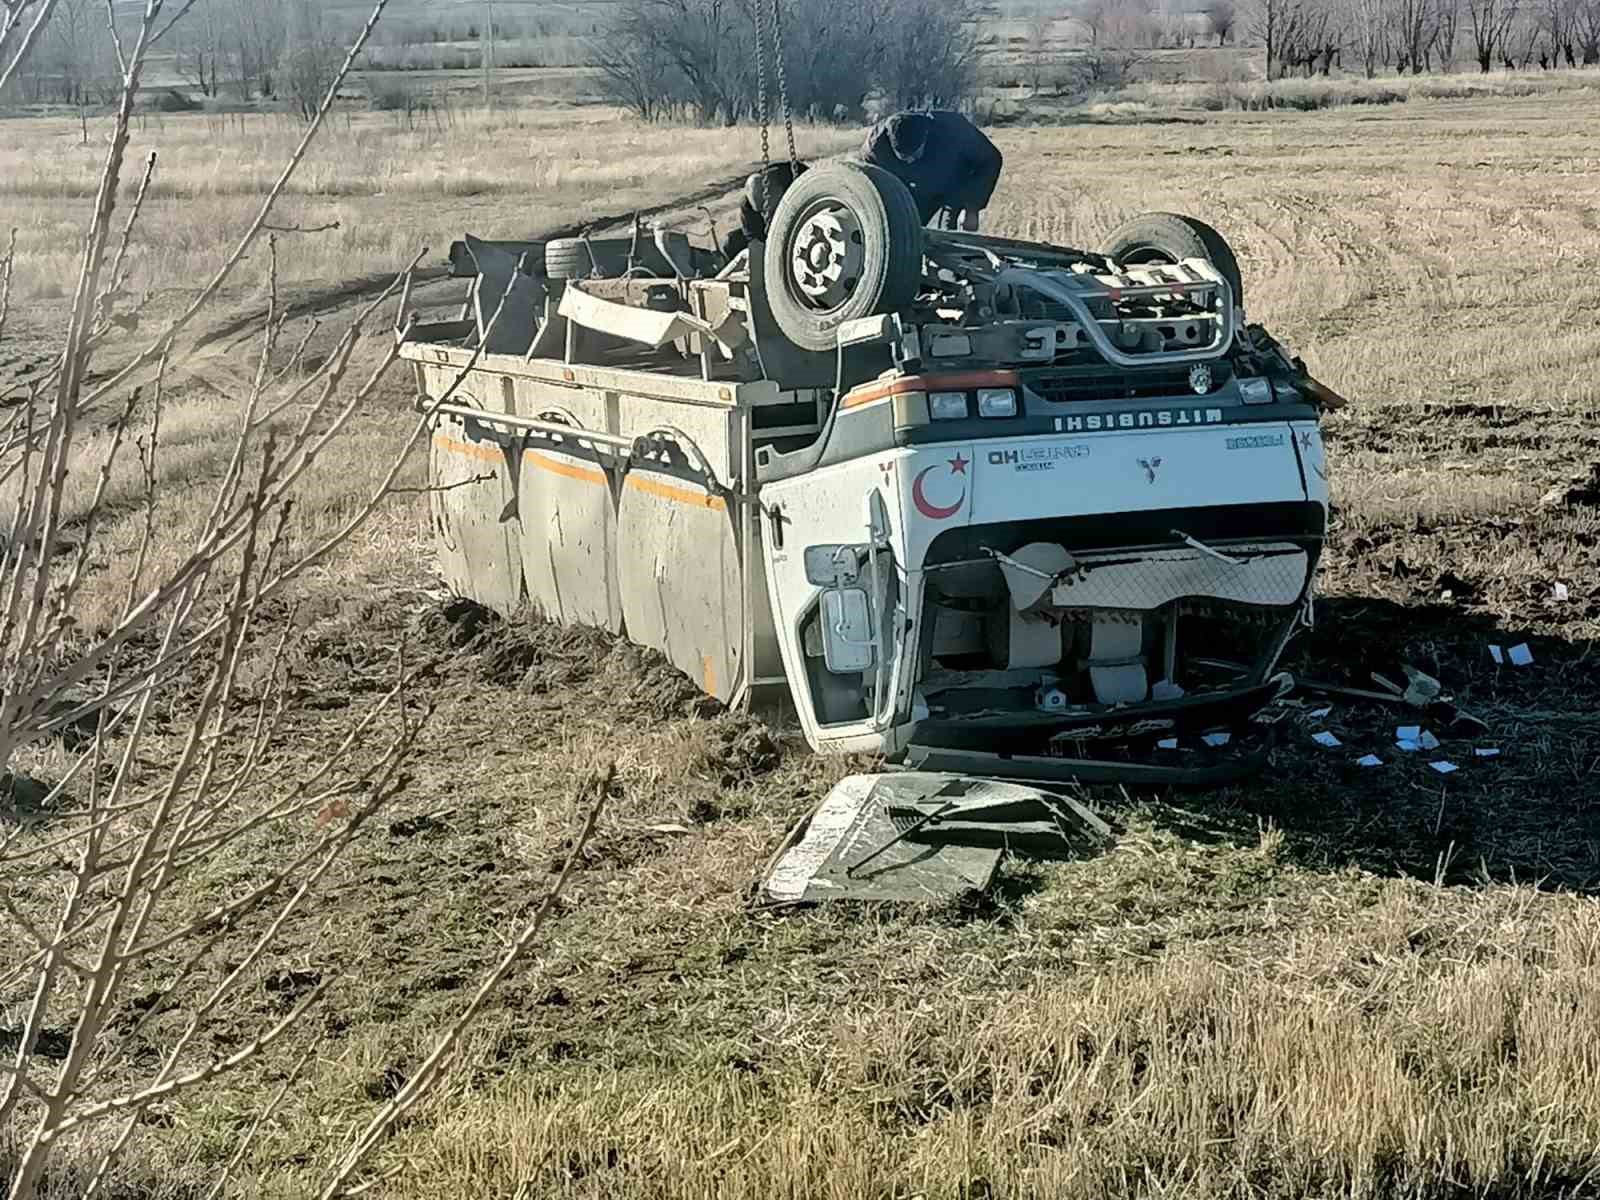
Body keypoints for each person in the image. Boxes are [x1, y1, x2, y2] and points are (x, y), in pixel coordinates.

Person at [858, 110, 1003, 232]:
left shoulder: (954, 130)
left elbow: (991, 159)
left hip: (954, 184)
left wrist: (972, 207)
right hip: (911, 191)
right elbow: (869, 186)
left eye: (914, 155)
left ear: (926, 137)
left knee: (951, 239)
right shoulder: (875, 147)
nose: (910, 161)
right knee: (903, 235)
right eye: (903, 158)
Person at [721, 160, 808, 260]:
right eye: (760, 211)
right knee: (731, 242)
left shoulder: (794, 176)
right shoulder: (747, 206)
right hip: (767, 235)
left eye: (766, 206)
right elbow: (754, 239)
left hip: (797, 224)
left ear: (776, 190)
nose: (765, 213)